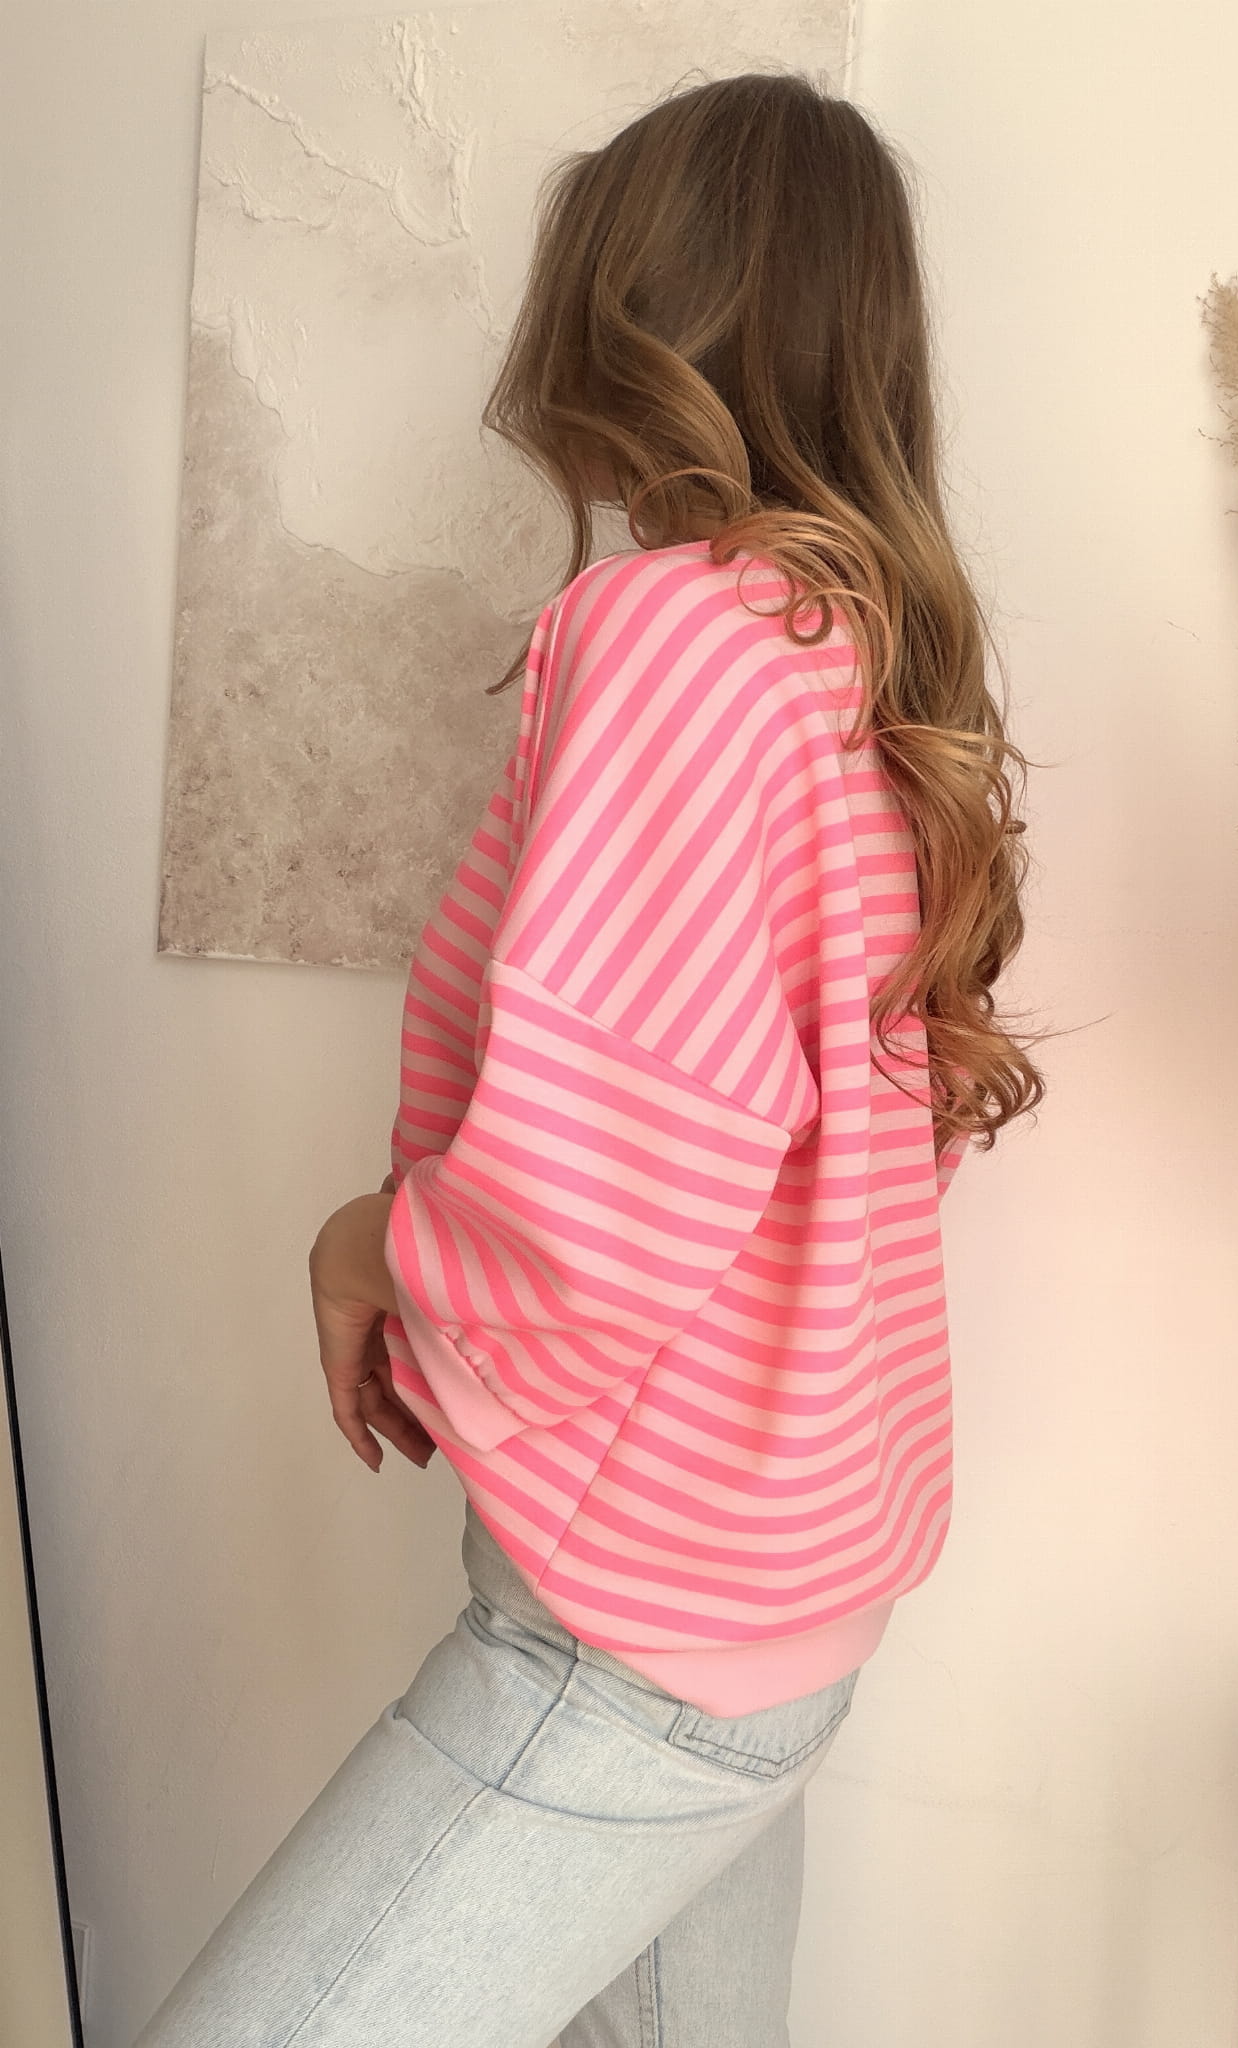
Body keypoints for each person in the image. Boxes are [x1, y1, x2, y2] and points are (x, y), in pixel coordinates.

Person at [134, 66, 1048, 2048]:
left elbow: (604, 1196)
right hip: (770, 1604)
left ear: (630, 315)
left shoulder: (682, 644)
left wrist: (369, 1242)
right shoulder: (858, 661)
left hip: (635, 1643)